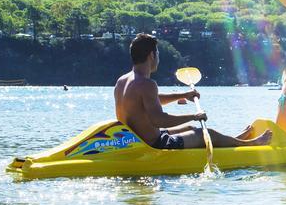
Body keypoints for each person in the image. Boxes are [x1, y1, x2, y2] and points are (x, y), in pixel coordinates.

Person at [115, 33, 272, 149]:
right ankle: (249, 144)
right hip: (154, 144)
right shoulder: (147, 84)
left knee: (191, 130)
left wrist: (184, 95)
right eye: (158, 54)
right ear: (151, 55)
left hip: (135, 141)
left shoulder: (122, 81)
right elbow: (159, 120)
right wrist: (193, 116)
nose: (158, 59)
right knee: (205, 132)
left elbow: (150, 100)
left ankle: (233, 140)